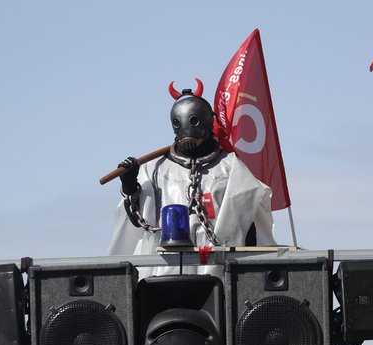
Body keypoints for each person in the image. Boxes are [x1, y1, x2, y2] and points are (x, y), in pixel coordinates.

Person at [108, 79, 275, 276]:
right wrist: (129, 186)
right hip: (165, 270)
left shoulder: (231, 167)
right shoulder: (154, 170)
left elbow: (249, 216)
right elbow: (139, 220)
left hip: (219, 270)